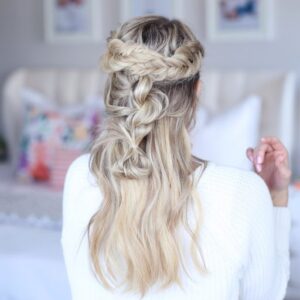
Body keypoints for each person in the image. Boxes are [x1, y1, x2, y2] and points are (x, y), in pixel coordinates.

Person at [61, 15, 291, 300]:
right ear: (196, 92)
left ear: (115, 91)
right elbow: (267, 295)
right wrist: (275, 198)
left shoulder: (80, 175)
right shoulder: (244, 193)